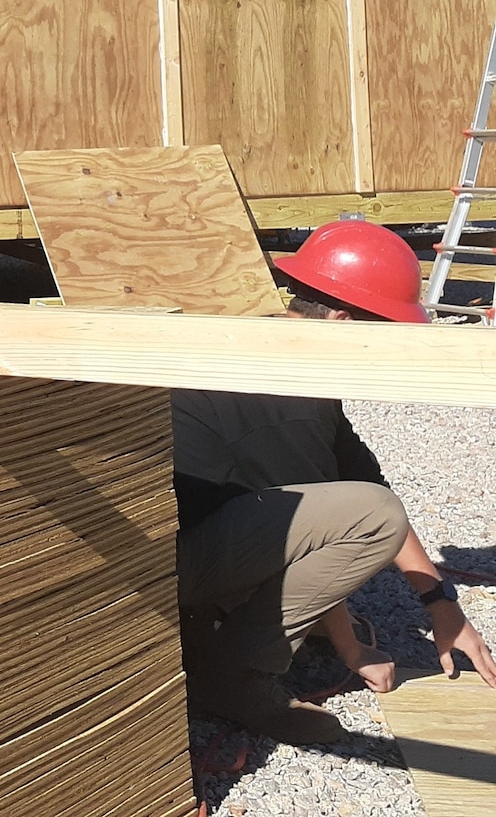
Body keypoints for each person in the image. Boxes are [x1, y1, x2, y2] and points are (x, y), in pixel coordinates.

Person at [174, 218, 496, 743]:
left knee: (370, 510)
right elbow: (345, 526)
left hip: (200, 539)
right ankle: (231, 673)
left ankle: (228, 624)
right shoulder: (283, 394)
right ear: (343, 320)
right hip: (162, 572)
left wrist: (441, 605)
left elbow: (364, 485)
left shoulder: (282, 350)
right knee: (369, 519)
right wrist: (351, 648)